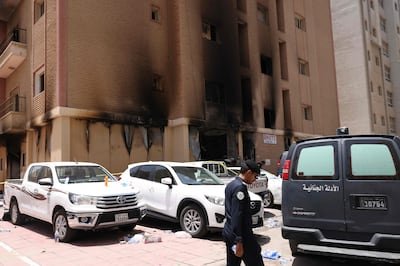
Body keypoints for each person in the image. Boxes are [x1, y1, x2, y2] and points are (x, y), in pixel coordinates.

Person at [222, 160, 264, 266]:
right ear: (249, 173)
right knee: (256, 261)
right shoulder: (240, 188)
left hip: (230, 232)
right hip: (242, 236)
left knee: (233, 263)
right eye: (255, 176)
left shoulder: (231, 185)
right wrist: (239, 240)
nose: (255, 180)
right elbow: (237, 215)